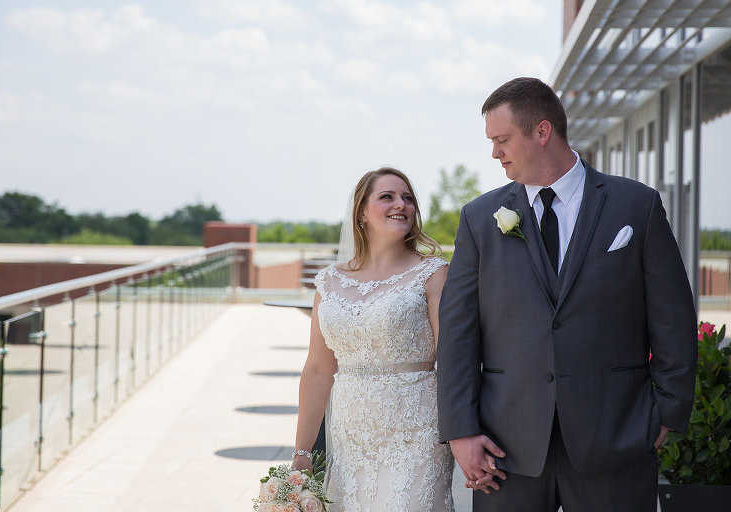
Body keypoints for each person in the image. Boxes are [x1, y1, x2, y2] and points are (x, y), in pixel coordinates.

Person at [436, 77, 697, 511]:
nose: (494, 153)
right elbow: (459, 332)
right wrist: (461, 431)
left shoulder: (636, 206)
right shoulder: (480, 218)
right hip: (506, 447)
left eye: (502, 140)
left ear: (542, 132)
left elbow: (672, 317)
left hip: (616, 436)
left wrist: (666, 410)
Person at [292, 167, 455, 511]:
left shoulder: (433, 273)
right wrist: (302, 454)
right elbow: (319, 370)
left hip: (416, 431)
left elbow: (455, 361)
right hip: (350, 437)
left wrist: (464, 434)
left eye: (408, 198)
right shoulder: (329, 281)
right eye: (388, 197)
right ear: (362, 212)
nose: (402, 205)